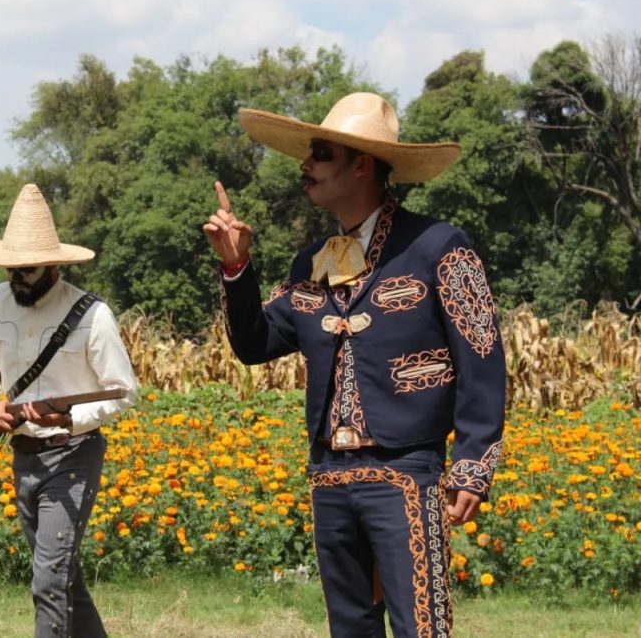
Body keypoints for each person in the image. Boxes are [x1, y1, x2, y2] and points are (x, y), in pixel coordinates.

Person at [204, 92, 505, 637]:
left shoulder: (439, 246)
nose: (306, 165)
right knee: (350, 628)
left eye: (321, 154)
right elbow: (255, 343)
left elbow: (481, 357)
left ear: (362, 165)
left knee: (422, 627)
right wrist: (236, 266)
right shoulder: (310, 262)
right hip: (329, 474)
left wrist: (472, 464)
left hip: (406, 471)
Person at [0, 183, 137, 638]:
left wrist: (69, 419)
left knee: (48, 580)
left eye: (28, 268)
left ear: (55, 265)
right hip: (22, 455)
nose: (16, 277)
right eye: (11, 267)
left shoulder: (93, 314)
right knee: (63, 579)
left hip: (73, 453)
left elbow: (123, 391)